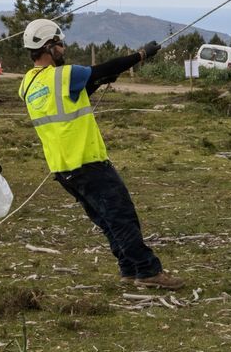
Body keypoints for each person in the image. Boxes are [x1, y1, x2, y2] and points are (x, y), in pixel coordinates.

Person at [18, 18, 183, 290]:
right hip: (88, 162)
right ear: (48, 47)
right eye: (59, 44)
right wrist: (140, 55)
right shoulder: (63, 75)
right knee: (121, 216)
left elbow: (67, 97)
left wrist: (97, 82)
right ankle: (147, 270)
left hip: (63, 168)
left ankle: (128, 268)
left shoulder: (28, 84)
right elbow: (103, 68)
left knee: (107, 220)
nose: (63, 48)